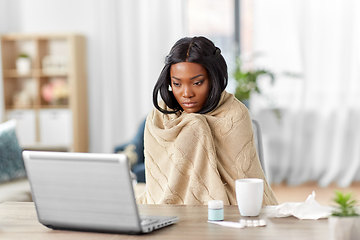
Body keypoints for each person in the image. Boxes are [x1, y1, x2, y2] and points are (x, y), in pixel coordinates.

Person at [137, 36, 278, 205]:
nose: (187, 93)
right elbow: (155, 189)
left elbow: (243, 184)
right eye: (177, 84)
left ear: (213, 79)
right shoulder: (159, 117)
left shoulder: (235, 114)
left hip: (229, 215)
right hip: (164, 216)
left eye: (197, 83)